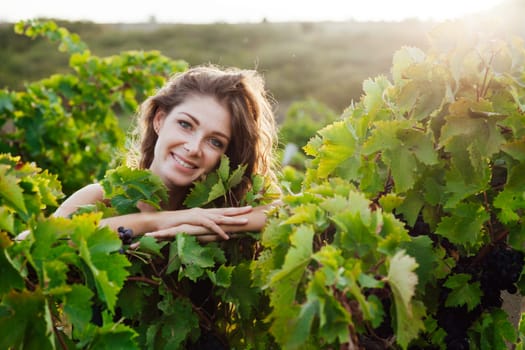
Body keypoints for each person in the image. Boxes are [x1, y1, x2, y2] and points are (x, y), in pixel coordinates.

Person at [52, 65, 280, 242]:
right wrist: (159, 221)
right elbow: (30, 242)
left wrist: (218, 223)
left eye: (214, 141)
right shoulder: (100, 198)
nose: (193, 148)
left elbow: (294, 210)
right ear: (159, 120)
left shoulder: (211, 212)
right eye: (185, 124)